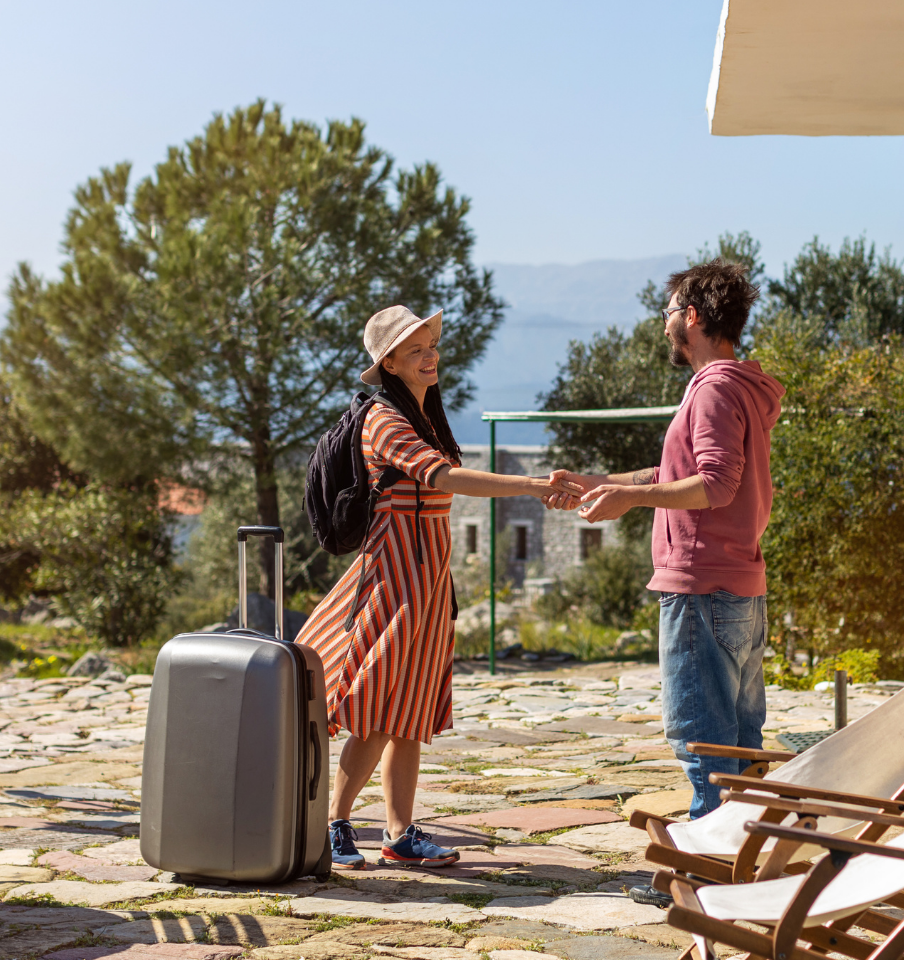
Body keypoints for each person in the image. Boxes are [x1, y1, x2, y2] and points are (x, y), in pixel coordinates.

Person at [298, 305, 581, 870]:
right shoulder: (384, 421)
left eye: (431, 345)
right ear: (389, 363)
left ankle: (399, 833)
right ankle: (335, 823)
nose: (430, 355)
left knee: (413, 711)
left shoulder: (426, 416)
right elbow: (444, 478)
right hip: (391, 578)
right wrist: (530, 484)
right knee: (378, 708)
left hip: (427, 582)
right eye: (415, 349)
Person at [547, 260, 784, 822]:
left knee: (703, 740)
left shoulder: (714, 389)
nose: (663, 322)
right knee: (740, 744)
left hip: (702, 585)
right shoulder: (739, 386)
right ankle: (742, 861)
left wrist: (631, 502)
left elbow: (716, 484)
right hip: (738, 585)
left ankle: (706, 869)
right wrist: (605, 484)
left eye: (669, 311)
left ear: (693, 317)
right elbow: (676, 472)